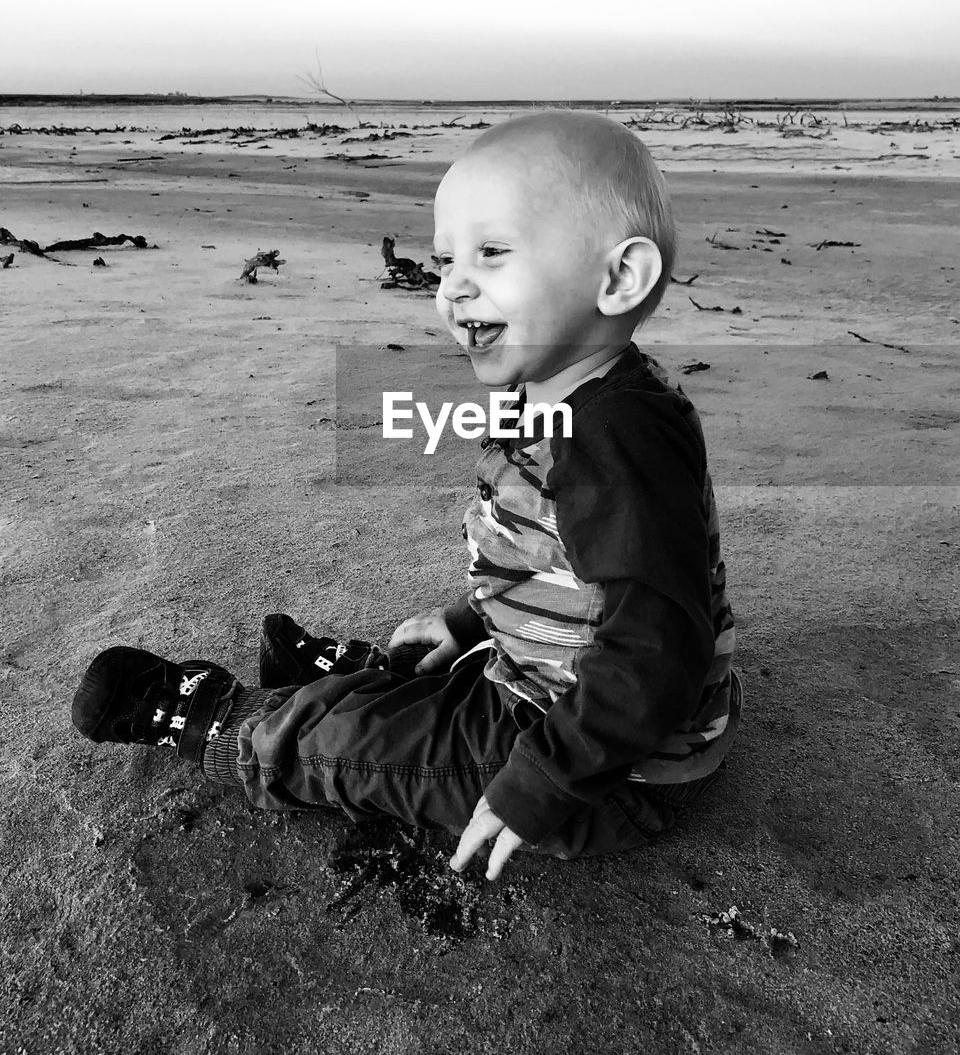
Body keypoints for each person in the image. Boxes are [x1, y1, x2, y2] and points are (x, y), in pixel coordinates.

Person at [71, 111, 741, 882]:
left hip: (606, 772)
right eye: (446, 260)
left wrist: (543, 783)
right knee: (432, 692)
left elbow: (657, 643)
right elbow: (556, 565)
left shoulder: (611, 435)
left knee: (351, 747)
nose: (453, 286)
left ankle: (228, 718)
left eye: (492, 254)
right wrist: (467, 622)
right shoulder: (569, 393)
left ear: (618, 278)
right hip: (570, 694)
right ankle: (373, 676)